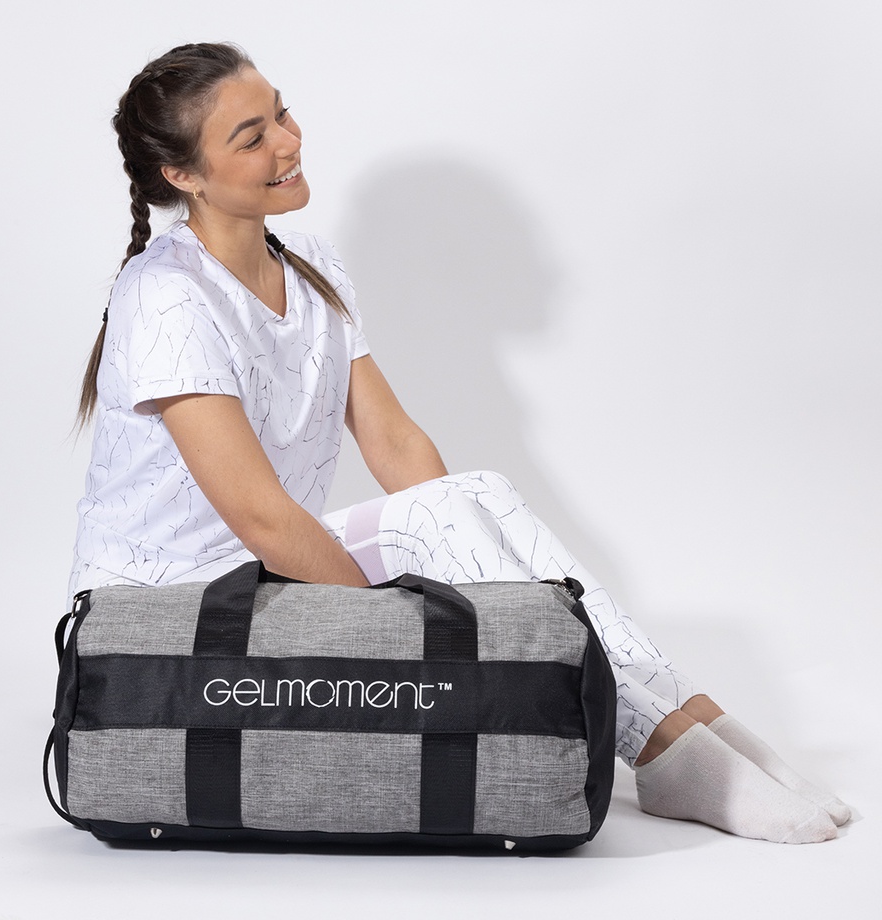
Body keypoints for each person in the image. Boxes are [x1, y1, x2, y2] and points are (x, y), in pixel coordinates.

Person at [70, 42, 849, 845]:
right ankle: (660, 747)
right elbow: (262, 518)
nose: (289, 142)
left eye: (282, 113)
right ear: (183, 175)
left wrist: (463, 571)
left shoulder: (310, 267)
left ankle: (692, 717)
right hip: (163, 614)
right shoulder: (165, 295)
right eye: (252, 137)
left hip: (262, 573)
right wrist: (393, 625)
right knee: (428, 523)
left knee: (476, 494)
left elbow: (396, 444)